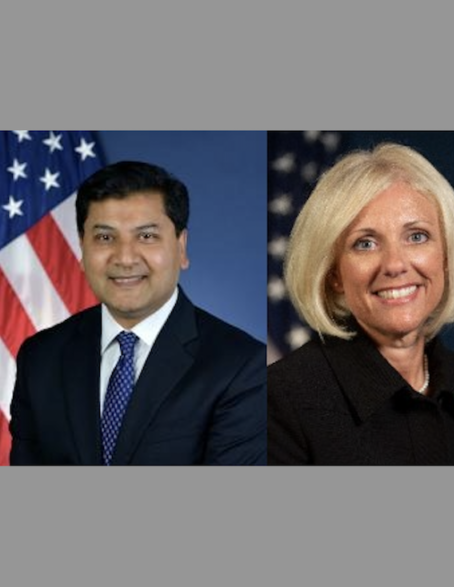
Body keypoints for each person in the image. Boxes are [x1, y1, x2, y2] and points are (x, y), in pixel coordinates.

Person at [9, 161, 266, 465]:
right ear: (82, 248)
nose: (125, 257)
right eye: (105, 237)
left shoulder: (243, 367)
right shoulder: (40, 357)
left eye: (146, 236)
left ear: (181, 248)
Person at [268, 143, 454, 465]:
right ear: (334, 273)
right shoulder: (280, 401)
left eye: (417, 236)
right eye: (365, 244)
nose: (395, 264)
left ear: (446, 256)